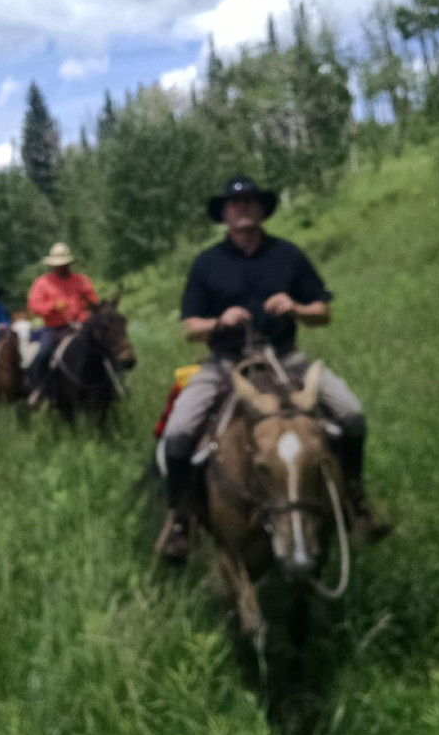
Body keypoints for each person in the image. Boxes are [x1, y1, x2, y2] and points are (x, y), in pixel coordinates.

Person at [157, 175, 392, 562]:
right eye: (235, 204)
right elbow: (190, 329)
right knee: (178, 434)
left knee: (350, 414)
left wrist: (297, 308)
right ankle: (182, 521)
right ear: (225, 215)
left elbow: (323, 313)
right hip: (225, 364)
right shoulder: (206, 263)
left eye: (250, 201)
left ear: (262, 209)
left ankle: (356, 500)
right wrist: (219, 322)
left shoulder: (288, 255)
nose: (243, 209)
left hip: (286, 360)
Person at [25, 243, 100, 405]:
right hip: (55, 328)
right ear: (52, 266)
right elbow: (34, 307)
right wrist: (52, 307)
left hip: (81, 324)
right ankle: (39, 388)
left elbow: (93, 301)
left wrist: (86, 314)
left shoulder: (81, 280)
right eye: (58, 266)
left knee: (103, 346)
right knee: (43, 353)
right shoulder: (42, 283)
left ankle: (115, 383)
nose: (62, 268)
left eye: (64, 265)